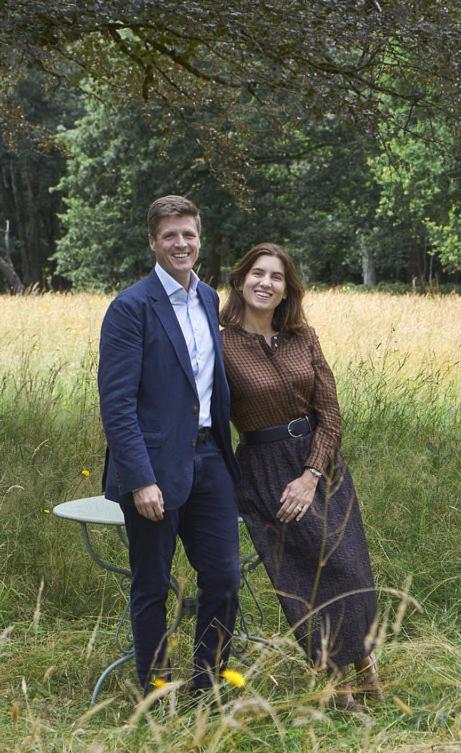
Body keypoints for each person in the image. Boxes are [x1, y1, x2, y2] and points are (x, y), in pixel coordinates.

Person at [220, 243, 382, 711]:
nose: (265, 283)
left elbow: (330, 413)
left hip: (321, 462)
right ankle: (337, 682)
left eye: (276, 276)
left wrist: (311, 473)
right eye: (258, 273)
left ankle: (365, 664)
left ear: (287, 289)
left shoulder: (303, 337)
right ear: (240, 280)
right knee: (306, 577)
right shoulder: (220, 344)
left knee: (351, 569)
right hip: (265, 468)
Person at [98, 195, 240, 696]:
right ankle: (157, 693)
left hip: (210, 459)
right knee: (152, 586)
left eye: (188, 234)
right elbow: (117, 403)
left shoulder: (209, 299)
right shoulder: (130, 307)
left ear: (199, 239)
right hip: (154, 468)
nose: (181, 243)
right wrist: (140, 479)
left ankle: (207, 687)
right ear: (153, 242)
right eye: (170, 235)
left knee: (224, 579)